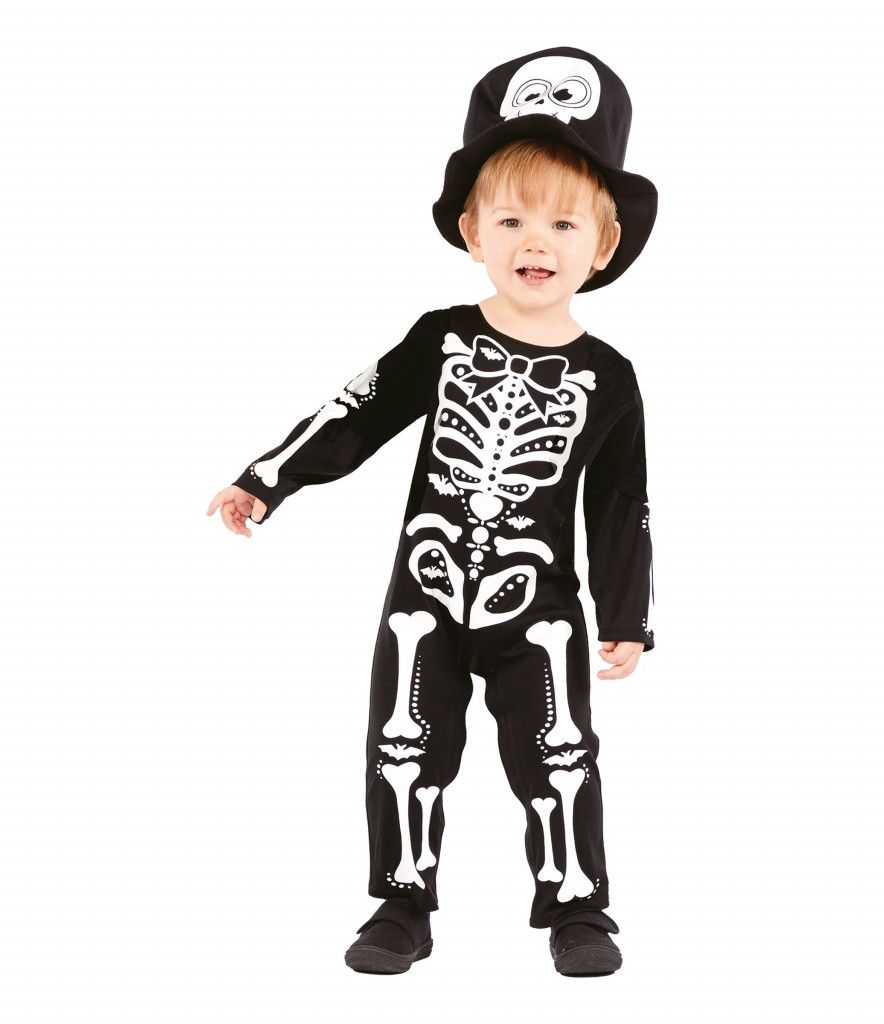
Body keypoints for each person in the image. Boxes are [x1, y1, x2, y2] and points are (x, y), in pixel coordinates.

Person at [207, 45, 658, 977]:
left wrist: (627, 614)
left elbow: (622, 503)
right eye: (511, 219)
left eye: (564, 223)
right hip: (427, 589)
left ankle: (578, 907)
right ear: (471, 231)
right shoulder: (440, 339)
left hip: (541, 606)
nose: (536, 243)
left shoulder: (611, 377)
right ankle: (401, 903)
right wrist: (267, 477)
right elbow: (356, 410)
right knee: (402, 745)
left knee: (559, 753)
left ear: (603, 246)